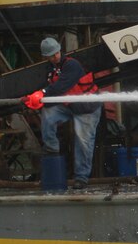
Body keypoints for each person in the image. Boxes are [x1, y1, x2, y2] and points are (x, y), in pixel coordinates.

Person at [24, 37, 101, 188]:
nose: (55, 57)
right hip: (71, 106)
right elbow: (54, 91)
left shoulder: (72, 65)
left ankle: (81, 178)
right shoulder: (51, 68)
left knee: (83, 142)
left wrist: (41, 93)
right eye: (51, 56)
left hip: (88, 108)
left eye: (56, 54)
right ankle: (52, 149)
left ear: (60, 51)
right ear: (46, 57)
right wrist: (33, 98)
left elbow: (61, 87)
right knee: (48, 112)